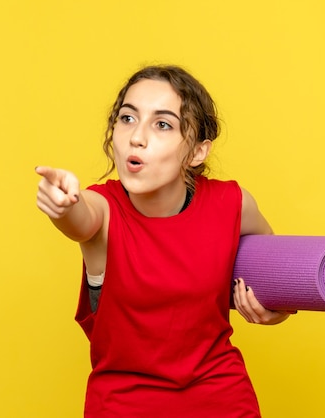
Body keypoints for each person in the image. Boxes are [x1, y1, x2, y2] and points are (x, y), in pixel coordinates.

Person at [36, 65, 292, 417]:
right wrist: (63, 205)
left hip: (223, 400)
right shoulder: (103, 209)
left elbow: (278, 275)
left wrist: (276, 310)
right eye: (127, 118)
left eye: (162, 124)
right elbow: (81, 219)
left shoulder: (233, 204)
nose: (137, 137)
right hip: (124, 406)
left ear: (198, 152)